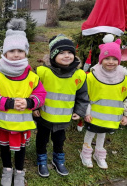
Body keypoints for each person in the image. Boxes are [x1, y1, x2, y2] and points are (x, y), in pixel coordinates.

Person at [0, 18, 47, 186]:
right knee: (4, 147)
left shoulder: (32, 77)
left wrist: (29, 102)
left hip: (22, 124)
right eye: (12, 50)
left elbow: (41, 94)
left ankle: (19, 171)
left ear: (26, 52)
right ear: (5, 53)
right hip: (3, 123)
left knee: (21, 149)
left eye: (20, 50)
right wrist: (10, 103)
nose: (16, 54)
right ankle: (7, 169)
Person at [33, 34, 89, 177]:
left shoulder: (79, 75)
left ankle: (59, 159)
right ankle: (42, 159)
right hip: (44, 117)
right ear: (53, 55)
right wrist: (34, 108)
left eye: (70, 52)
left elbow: (82, 96)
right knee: (42, 139)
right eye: (62, 53)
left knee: (59, 140)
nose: (67, 56)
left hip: (64, 118)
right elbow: (33, 92)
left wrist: (80, 111)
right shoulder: (43, 72)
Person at [80, 39, 127, 169]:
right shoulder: (92, 76)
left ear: (119, 60)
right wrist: (86, 113)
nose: (111, 62)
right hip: (93, 115)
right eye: (107, 58)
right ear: (101, 60)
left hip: (111, 117)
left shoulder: (124, 77)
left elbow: (125, 98)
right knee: (90, 134)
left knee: (102, 134)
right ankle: (86, 153)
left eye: (114, 58)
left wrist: (125, 115)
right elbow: (86, 96)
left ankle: (99, 154)